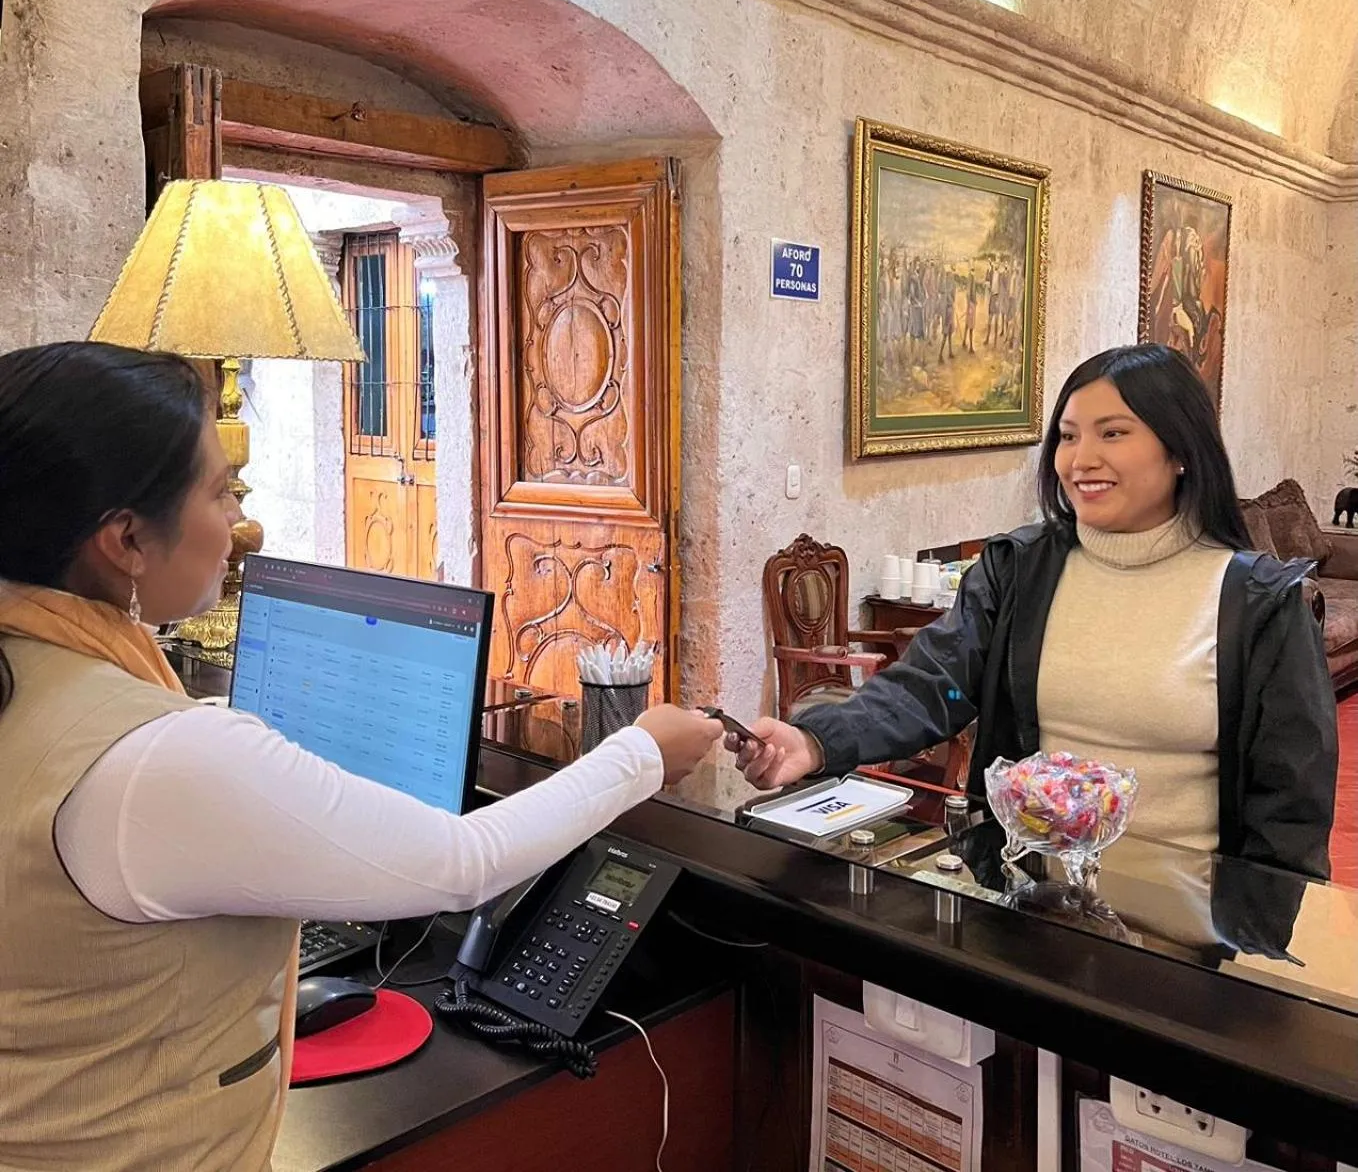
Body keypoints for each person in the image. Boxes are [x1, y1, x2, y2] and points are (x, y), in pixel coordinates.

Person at [0, 342, 722, 1172]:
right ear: (126, 537)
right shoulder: (157, 761)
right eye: (219, 489)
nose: (236, 520)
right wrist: (640, 752)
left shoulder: (36, 676)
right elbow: (463, 860)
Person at [733, 344, 1337, 880]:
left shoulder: (1260, 603)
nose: (1081, 460)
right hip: (1029, 904)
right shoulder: (1019, 571)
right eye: (1069, 436)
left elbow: (1291, 807)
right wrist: (815, 740)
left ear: (1181, 449)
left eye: (1114, 433)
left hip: (1186, 933)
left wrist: (1257, 942)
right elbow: (931, 689)